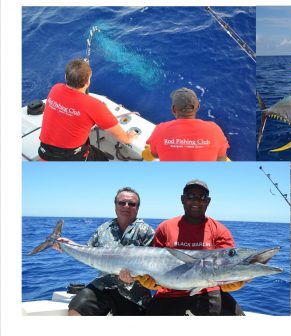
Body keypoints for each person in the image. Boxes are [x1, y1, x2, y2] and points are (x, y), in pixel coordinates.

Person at [120, 179, 245, 316]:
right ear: (183, 199)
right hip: (168, 292)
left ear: (208, 201)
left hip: (206, 291)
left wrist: (234, 279)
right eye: (191, 196)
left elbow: (228, 265)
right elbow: (153, 264)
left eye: (202, 197)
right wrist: (150, 281)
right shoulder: (165, 227)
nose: (196, 201)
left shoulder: (219, 230)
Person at [53, 187, 155, 316]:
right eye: (122, 203)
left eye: (132, 204)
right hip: (103, 285)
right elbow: (88, 251)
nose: (126, 206)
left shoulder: (146, 232)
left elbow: (154, 267)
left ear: (137, 208)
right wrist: (68, 245)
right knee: (77, 306)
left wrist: (134, 278)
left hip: (135, 294)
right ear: (115, 206)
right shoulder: (103, 229)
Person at [38, 59, 137, 161]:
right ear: (88, 82)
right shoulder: (95, 106)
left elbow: (72, 107)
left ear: (65, 77)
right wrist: (129, 138)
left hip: (44, 153)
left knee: (93, 151)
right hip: (70, 158)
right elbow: (122, 138)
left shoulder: (55, 89)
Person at [145, 87, 229, 161]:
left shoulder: (160, 130)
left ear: (174, 109)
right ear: (198, 107)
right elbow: (221, 158)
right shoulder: (214, 129)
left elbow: (155, 154)